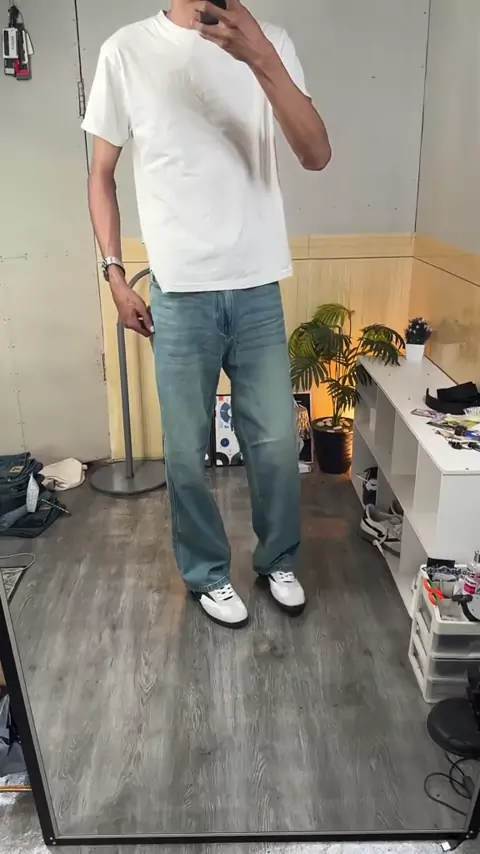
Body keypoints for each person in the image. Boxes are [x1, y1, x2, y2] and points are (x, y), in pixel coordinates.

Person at [82, 0, 331, 628]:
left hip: (257, 285)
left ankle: (278, 560)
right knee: (186, 454)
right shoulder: (125, 51)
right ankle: (207, 574)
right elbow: (102, 174)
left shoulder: (271, 41)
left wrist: (259, 55)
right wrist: (114, 272)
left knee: (276, 446)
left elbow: (316, 154)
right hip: (179, 289)